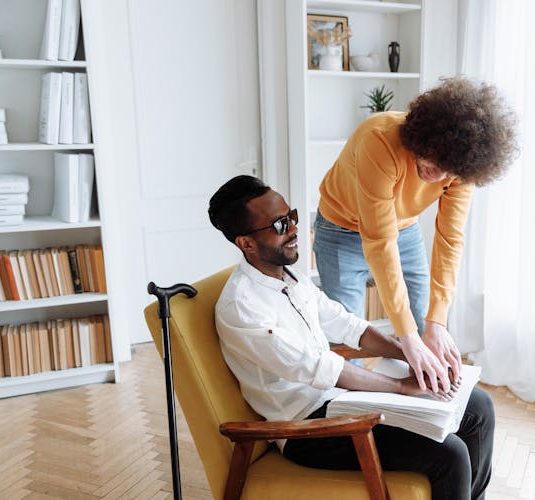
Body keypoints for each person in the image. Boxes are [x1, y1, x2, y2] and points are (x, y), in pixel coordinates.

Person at [208, 175, 495, 500]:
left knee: (479, 407)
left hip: (341, 401)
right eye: (278, 226)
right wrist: (401, 387)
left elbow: (347, 325)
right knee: (450, 454)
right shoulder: (242, 306)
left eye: (292, 217)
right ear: (245, 243)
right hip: (308, 428)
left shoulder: (292, 278)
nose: (293, 230)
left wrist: (412, 356)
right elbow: (316, 366)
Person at [313, 76, 518, 396]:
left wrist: (436, 322)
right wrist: (406, 336)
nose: (442, 177)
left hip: (404, 229)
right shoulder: (379, 139)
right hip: (341, 229)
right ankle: (351, 420)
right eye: (437, 163)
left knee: (427, 329)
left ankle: (424, 413)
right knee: (345, 335)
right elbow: (379, 241)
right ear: (423, 137)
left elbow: (450, 239)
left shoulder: (459, 167)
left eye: (453, 171)